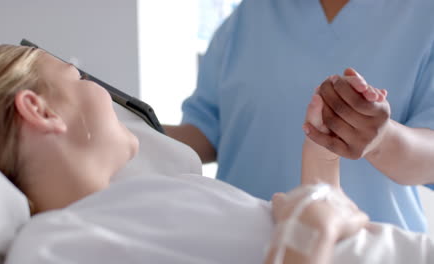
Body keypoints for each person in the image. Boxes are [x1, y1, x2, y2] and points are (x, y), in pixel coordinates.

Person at [0, 45, 432, 264]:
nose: (99, 90)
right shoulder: (51, 246)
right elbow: (312, 235)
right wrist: (311, 224)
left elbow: (333, 224)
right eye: (77, 76)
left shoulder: (160, 193)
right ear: (38, 109)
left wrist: (322, 150)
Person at [164, 0, 434, 233]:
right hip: (243, 244)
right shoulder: (250, 15)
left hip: (371, 250)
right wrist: (129, 123)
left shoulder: (423, 17)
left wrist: (381, 139)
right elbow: (205, 132)